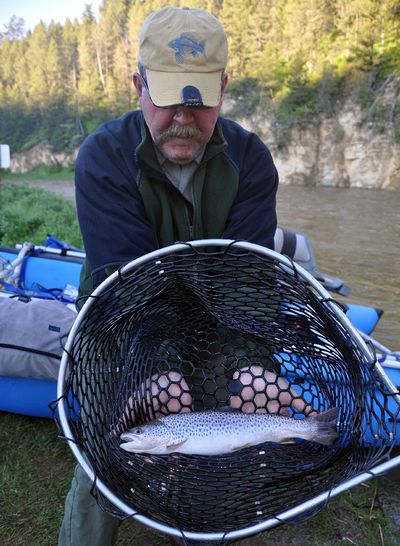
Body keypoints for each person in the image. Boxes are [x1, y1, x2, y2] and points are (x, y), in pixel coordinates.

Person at [58, 6, 279, 546]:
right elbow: (127, 284)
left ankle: (204, 523)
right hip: (119, 325)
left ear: (224, 88)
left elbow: (247, 283)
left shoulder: (250, 161)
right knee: (107, 451)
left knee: (226, 452)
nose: (184, 115)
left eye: (199, 98)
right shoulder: (104, 157)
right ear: (137, 84)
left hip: (217, 322)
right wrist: (155, 369)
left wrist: (251, 364)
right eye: (167, 96)